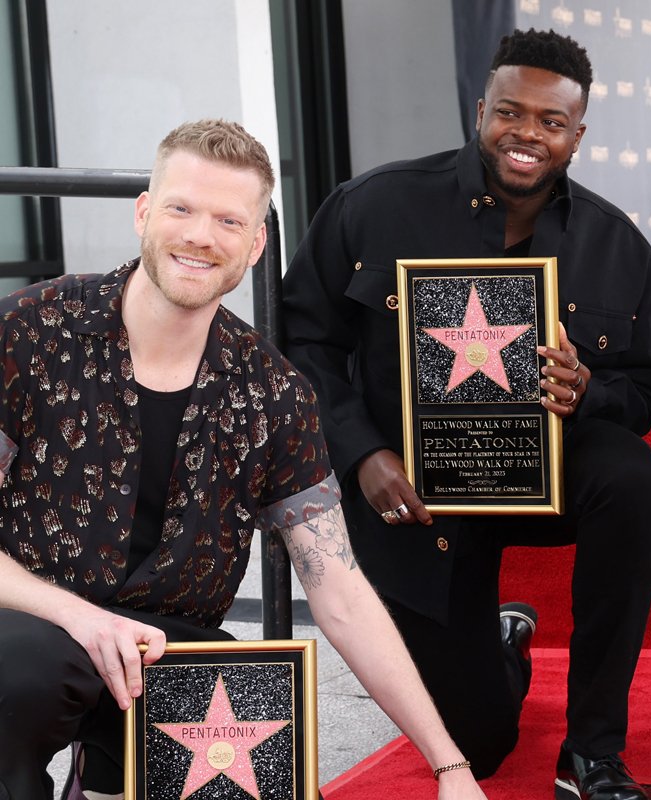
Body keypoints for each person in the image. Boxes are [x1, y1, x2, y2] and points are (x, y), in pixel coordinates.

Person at [0, 120, 486, 800]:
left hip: (174, 652)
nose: (201, 235)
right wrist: (81, 618)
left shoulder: (274, 393)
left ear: (256, 244)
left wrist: (449, 766)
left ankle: (108, 776)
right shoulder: (28, 331)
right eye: (182, 208)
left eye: (229, 219)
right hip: (31, 624)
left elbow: (339, 590)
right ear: (145, 212)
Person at [281, 29, 651, 800]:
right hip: (416, 499)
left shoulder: (618, 248)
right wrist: (361, 452)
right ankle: (505, 646)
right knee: (480, 745)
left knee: (630, 475)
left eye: (551, 122)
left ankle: (594, 747)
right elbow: (303, 339)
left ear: (577, 134)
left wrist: (586, 390)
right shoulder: (372, 207)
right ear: (480, 110)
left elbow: (644, 387)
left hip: (548, 475)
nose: (528, 134)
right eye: (511, 113)